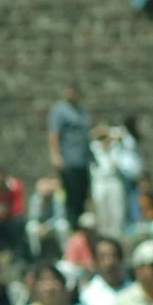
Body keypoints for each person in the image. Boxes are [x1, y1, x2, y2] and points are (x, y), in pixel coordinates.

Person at [47, 86, 92, 227]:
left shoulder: (82, 112)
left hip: (82, 160)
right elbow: (54, 134)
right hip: (69, 159)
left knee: (82, 194)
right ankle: (72, 224)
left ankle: (80, 223)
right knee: (71, 194)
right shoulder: (60, 111)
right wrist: (55, 154)